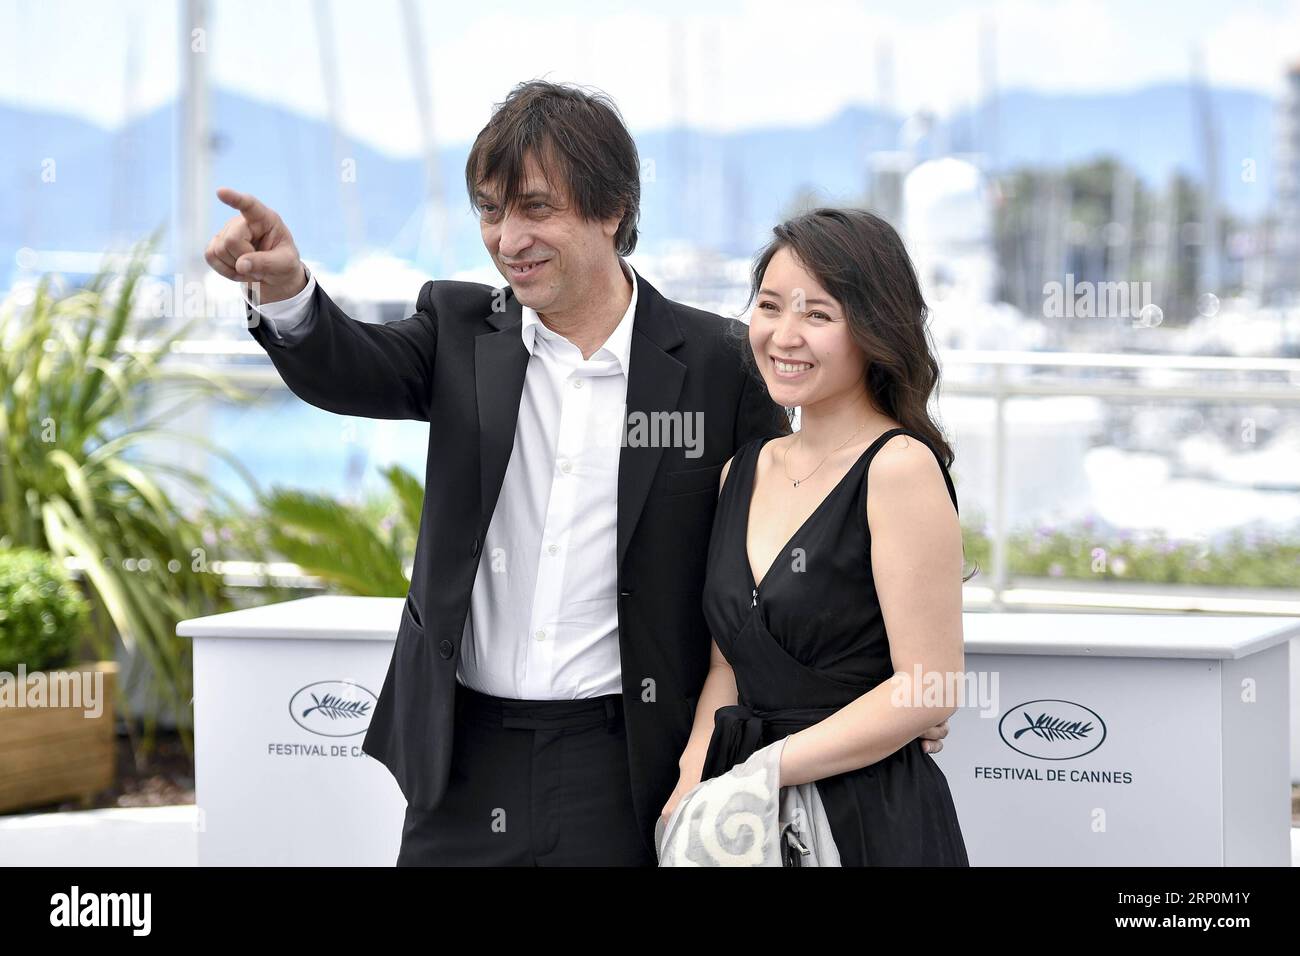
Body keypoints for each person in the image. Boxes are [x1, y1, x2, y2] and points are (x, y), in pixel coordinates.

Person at [205, 80, 952, 866]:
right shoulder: (460, 331)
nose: (506, 237)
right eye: (489, 210)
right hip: (460, 759)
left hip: (630, 759)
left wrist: (911, 689)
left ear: (613, 210)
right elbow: (348, 367)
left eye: (534, 208)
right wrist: (285, 292)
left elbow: (790, 544)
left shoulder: (720, 364)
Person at [663, 208, 971, 865]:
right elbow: (728, 664)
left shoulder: (899, 468)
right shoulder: (741, 470)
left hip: (866, 818)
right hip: (743, 822)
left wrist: (765, 770)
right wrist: (693, 781)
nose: (784, 335)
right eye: (770, 306)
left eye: (817, 314)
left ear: (873, 329)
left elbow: (931, 688)